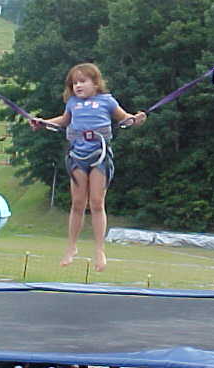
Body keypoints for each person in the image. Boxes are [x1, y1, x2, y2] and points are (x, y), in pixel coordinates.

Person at [30, 63, 146, 272]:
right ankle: (71, 247)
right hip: (78, 155)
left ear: (95, 83)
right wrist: (43, 122)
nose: (78, 86)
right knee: (77, 203)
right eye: (74, 83)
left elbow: (125, 119)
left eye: (82, 81)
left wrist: (135, 120)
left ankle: (99, 250)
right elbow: (63, 121)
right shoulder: (72, 103)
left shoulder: (107, 101)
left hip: (99, 155)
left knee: (96, 202)